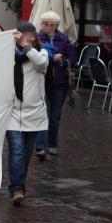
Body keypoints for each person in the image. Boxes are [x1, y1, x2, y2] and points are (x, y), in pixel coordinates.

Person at [7, 22, 49, 206]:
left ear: (33, 36)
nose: (25, 37)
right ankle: (16, 189)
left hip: (34, 113)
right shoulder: (8, 54)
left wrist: (26, 46)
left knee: (26, 153)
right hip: (12, 112)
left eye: (29, 34)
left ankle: (20, 185)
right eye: (22, 34)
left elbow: (41, 64)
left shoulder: (42, 53)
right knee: (16, 151)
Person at [34, 11, 76, 159]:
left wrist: (63, 61)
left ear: (55, 26)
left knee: (55, 115)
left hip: (60, 82)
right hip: (42, 81)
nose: (45, 27)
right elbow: (35, 58)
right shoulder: (37, 38)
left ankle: (52, 144)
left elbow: (72, 58)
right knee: (42, 113)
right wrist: (53, 59)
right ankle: (40, 146)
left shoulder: (64, 38)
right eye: (44, 24)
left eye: (49, 25)